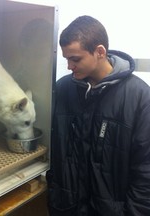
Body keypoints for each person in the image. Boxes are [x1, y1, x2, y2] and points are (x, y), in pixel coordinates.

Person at [46, 15, 150, 216]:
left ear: (99, 52)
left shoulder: (139, 97)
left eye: (75, 59)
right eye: (66, 59)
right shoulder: (62, 89)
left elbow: (146, 170)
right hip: (66, 208)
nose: (69, 66)